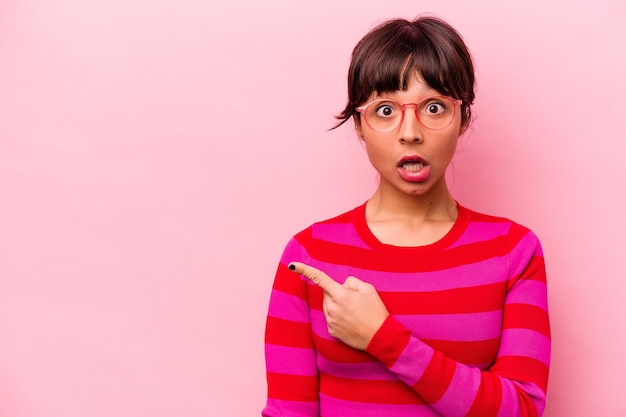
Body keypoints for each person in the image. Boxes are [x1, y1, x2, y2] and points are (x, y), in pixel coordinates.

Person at [262, 15, 550, 417]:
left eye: (434, 107)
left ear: (463, 118)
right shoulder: (310, 255)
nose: (410, 132)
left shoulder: (513, 251)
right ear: (359, 124)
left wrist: (384, 338)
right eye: (384, 110)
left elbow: (521, 409)